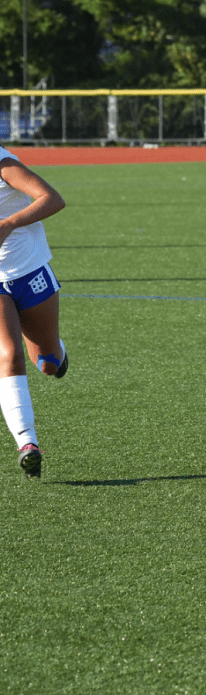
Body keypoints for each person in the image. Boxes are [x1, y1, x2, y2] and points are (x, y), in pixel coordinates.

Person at [0, 145, 68, 479]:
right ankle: (28, 444)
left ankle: (57, 351)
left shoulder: (5, 165)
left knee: (48, 362)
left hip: (29, 272)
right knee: (8, 355)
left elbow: (53, 199)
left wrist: (9, 223)